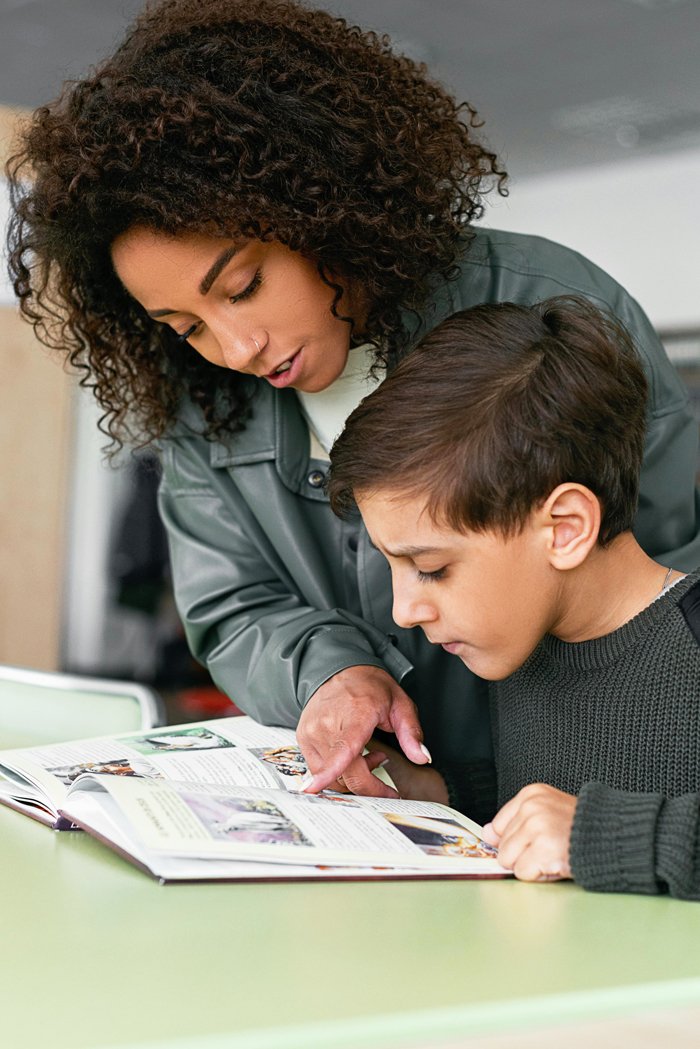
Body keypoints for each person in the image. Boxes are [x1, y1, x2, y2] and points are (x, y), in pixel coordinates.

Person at [7, 0, 700, 799]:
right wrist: (336, 676)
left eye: (244, 286)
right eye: (182, 324)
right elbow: (234, 603)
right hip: (402, 817)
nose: (236, 350)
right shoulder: (203, 398)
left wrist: (584, 811)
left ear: (319, 212)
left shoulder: (558, 308)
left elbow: (652, 589)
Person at [327, 295, 700, 898]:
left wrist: (604, 836)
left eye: (431, 567)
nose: (404, 610)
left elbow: (585, 822)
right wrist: (432, 793)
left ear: (564, 529)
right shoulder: (523, 645)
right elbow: (538, 796)